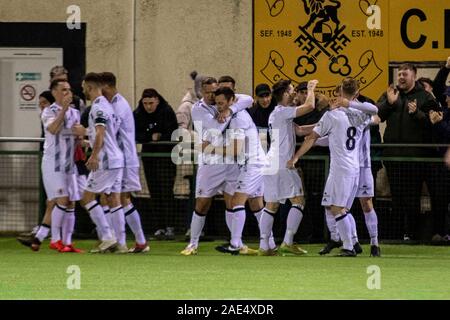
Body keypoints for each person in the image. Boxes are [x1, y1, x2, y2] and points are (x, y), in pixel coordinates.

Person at [289, 77, 378, 257]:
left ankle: (348, 247)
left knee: (338, 209)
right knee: (331, 205)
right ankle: (352, 241)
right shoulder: (360, 115)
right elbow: (374, 112)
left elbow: (311, 137)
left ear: (339, 93)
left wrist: (296, 156)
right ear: (356, 93)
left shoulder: (332, 115)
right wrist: (349, 104)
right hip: (352, 168)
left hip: (342, 169)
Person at [180, 77, 253, 255]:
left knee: (233, 202)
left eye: (214, 91)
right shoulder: (198, 109)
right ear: (201, 93)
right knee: (202, 203)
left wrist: (230, 108)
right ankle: (193, 244)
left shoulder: (223, 102)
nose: (212, 95)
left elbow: (249, 99)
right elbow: (215, 127)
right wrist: (229, 111)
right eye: (208, 92)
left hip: (230, 161)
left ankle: (236, 242)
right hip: (211, 161)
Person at [18, 79, 83, 253]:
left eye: (68, 89)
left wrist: (81, 135)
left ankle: (63, 242)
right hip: (53, 164)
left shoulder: (75, 112)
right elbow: (53, 129)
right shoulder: (48, 111)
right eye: (63, 90)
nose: (67, 93)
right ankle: (55, 240)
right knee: (60, 199)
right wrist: (63, 110)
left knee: (71, 202)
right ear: (54, 92)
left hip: (69, 164)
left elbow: (77, 138)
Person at [377, 63, 440, 240]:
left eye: (405, 74)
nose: (401, 78)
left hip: (415, 158)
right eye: (399, 75)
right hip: (392, 158)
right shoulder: (391, 93)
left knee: (412, 199)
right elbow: (377, 115)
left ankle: (413, 235)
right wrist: (389, 104)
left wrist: (417, 114)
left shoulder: (425, 97)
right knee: (396, 198)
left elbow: (434, 124)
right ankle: (397, 236)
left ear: (414, 75)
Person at [258, 79, 318, 256]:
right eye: (291, 90)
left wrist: (325, 126)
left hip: (271, 163)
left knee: (271, 204)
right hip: (283, 163)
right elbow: (310, 106)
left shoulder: (276, 113)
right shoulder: (283, 112)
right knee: (299, 200)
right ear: (284, 93)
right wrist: (311, 89)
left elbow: (299, 130)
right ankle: (288, 241)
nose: (293, 93)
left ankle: (264, 246)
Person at [206, 86, 264, 255]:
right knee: (256, 205)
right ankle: (269, 242)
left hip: (252, 164)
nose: (219, 107)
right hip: (255, 163)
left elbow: (235, 150)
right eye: (217, 104)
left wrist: (208, 148)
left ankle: (235, 243)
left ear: (232, 101)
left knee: (237, 202)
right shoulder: (237, 113)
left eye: (222, 103)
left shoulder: (238, 119)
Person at [72, 72, 124, 253]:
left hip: (106, 160)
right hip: (115, 158)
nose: (83, 90)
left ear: (90, 87)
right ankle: (120, 243)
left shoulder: (98, 107)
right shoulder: (107, 106)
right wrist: (87, 137)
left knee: (86, 197)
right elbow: (105, 134)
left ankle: (108, 237)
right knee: (112, 199)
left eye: (84, 87)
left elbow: (101, 133)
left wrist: (93, 155)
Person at [101, 72, 149, 253]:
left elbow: (110, 131)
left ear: (106, 86)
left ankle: (128, 241)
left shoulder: (119, 105)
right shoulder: (113, 104)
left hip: (126, 159)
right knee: (112, 198)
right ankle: (129, 241)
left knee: (121, 198)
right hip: (119, 159)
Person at [134, 88, 178, 238]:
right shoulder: (138, 113)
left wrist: (159, 137)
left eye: (151, 103)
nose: (148, 107)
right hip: (149, 157)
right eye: (145, 103)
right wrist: (149, 136)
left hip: (166, 157)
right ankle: (159, 227)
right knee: (154, 192)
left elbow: (174, 133)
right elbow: (135, 133)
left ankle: (170, 226)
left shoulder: (167, 111)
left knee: (166, 192)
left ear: (157, 100)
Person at [428, 86, 450, 241]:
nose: (447, 99)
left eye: (448, 96)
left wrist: (439, 123)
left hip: (446, 163)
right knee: (439, 200)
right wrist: (435, 123)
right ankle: (439, 233)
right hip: (440, 165)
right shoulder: (444, 112)